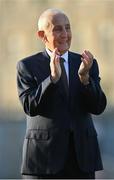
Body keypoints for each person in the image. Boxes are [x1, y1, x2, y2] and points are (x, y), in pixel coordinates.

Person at [17, 8, 107, 179]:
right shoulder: (27, 66)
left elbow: (98, 107)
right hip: (44, 161)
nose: (65, 34)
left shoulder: (87, 63)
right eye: (58, 29)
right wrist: (52, 79)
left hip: (82, 159)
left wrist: (85, 79)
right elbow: (30, 106)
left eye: (68, 27)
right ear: (42, 35)